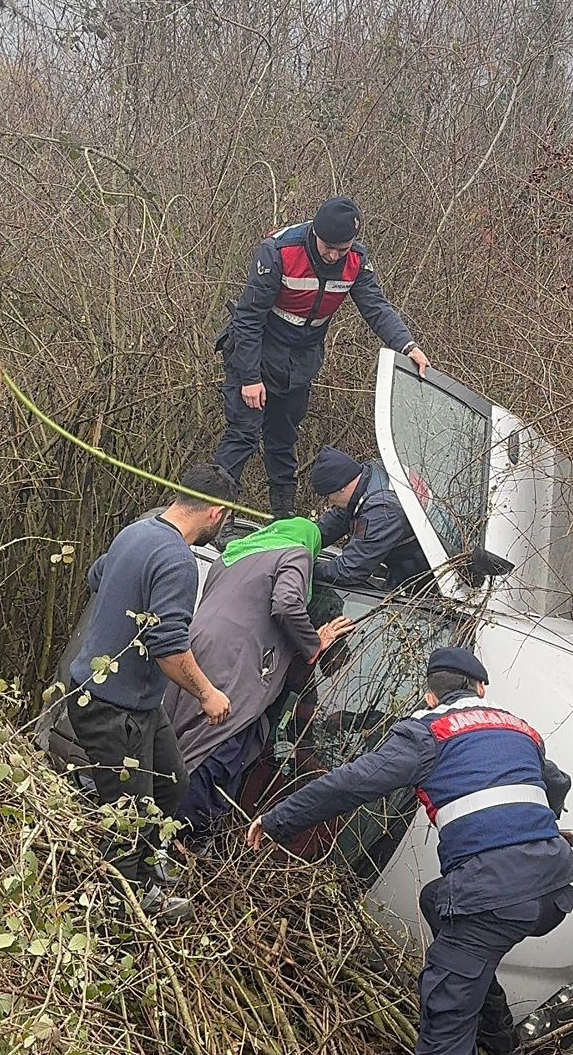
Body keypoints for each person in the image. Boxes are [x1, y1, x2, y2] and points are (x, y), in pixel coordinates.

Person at [246, 646, 573, 1055]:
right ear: (482, 687)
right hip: (550, 889)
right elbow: (555, 783)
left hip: (490, 893)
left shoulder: (428, 732)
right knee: (447, 916)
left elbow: (351, 783)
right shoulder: (519, 729)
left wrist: (278, 818)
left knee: (442, 1042)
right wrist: (538, 823)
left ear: (430, 694)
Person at [67, 463, 237, 896]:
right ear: (216, 513)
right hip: (110, 707)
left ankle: (150, 867)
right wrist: (207, 693)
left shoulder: (135, 532)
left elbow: (95, 578)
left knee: (170, 783)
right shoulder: (177, 559)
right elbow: (169, 650)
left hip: (135, 703)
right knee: (129, 815)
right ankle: (127, 911)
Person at [213, 196, 431, 518]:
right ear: (314, 232)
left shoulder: (356, 260)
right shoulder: (278, 252)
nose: (333, 255)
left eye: (341, 249)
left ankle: (282, 518)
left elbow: (376, 307)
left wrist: (407, 345)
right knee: (242, 436)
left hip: (300, 362)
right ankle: (217, 515)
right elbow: (247, 318)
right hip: (257, 351)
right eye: (327, 246)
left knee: (283, 440)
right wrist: (249, 378)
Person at [169, 517, 353, 847]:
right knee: (216, 751)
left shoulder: (233, 554)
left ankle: (163, 828)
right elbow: (286, 604)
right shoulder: (295, 554)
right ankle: (185, 840)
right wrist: (316, 642)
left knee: (186, 742)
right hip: (237, 669)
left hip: (195, 656)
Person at [309, 444, 428, 592]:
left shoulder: (382, 510)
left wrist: (306, 569)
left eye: (329, 496)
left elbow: (349, 571)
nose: (329, 502)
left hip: (424, 582)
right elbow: (338, 519)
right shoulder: (372, 473)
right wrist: (302, 540)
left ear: (342, 488)